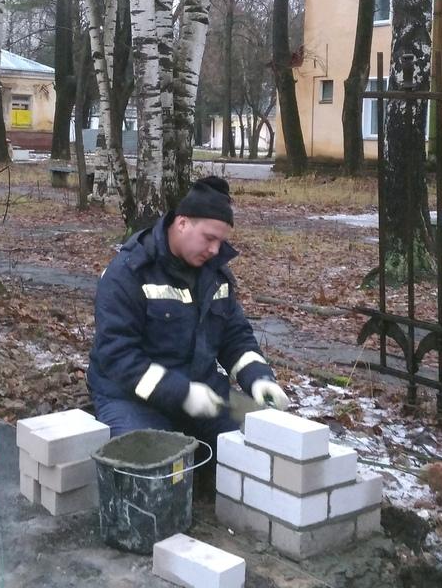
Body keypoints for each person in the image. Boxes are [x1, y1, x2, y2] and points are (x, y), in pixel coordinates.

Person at [86, 176, 290, 451]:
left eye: (220, 241)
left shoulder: (215, 276)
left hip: (202, 394)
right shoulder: (128, 273)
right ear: (182, 223)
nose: (216, 250)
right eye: (209, 239)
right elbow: (118, 357)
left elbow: (235, 336)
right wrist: (181, 393)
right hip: (132, 398)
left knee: (263, 446)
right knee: (148, 463)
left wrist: (259, 378)